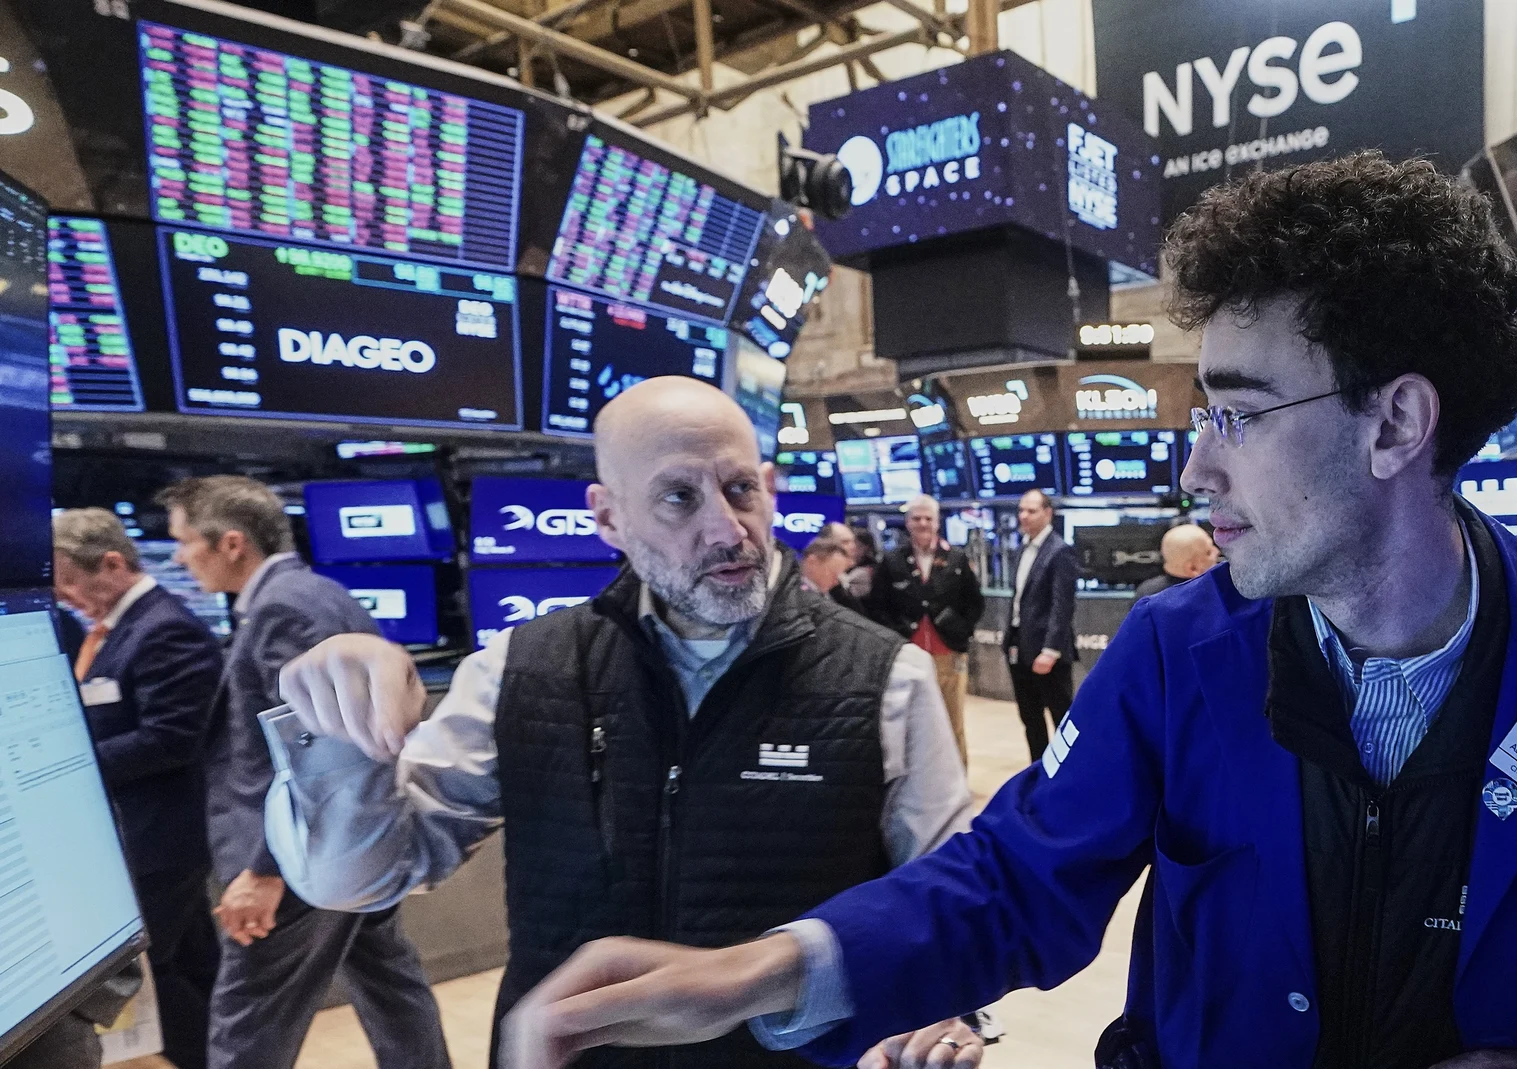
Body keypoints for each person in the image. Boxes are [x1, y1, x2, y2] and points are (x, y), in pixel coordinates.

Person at [495, 154, 1517, 1069]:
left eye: (1242, 413)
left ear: (1398, 423)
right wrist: (765, 970)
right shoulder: (1177, 653)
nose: (1198, 465)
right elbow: (1018, 877)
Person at [266, 378, 984, 1068]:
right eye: (679, 497)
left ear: (768, 486)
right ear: (607, 515)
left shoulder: (885, 674)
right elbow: (362, 878)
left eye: (740, 489)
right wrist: (342, 740)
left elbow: (948, 902)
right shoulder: (523, 668)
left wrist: (942, 1011)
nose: (726, 529)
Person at [154, 476, 449, 1069]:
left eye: (184, 542)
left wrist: (265, 870)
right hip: (335, 844)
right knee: (387, 979)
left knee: (249, 1017)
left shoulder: (285, 609)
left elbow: (321, 755)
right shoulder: (312, 594)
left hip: (302, 852)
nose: (179, 558)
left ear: (231, 543)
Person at [51, 509, 223, 1069]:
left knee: (156, 966)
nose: (63, 593)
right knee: (194, 960)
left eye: (68, 579)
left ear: (112, 563)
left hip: (162, 835)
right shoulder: (113, 629)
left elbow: (171, 738)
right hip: (143, 831)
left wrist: (70, 769)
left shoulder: (164, 628)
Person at [868, 496, 986, 765]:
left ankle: (957, 789)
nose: (923, 524)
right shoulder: (892, 561)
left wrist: (961, 629)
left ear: (937, 522)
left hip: (949, 655)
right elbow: (877, 607)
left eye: (928, 518)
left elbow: (975, 603)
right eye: (917, 518)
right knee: (910, 724)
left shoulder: (956, 559)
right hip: (907, 656)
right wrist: (896, 636)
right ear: (908, 523)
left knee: (952, 722)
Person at [1005, 489, 1078, 760]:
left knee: (1061, 718)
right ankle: (1037, 773)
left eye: (1031, 510)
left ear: (1048, 513)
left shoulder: (1060, 551)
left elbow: (1062, 606)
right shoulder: (1023, 548)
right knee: (1030, 717)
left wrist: (1051, 650)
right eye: (1021, 510)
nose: (1023, 516)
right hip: (1019, 646)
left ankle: (1067, 776)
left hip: (1047, 652)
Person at [1132, 524, 1218, 601]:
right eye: (1208, 552)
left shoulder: (1145, 595)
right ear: (1192, 569)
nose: (1216, 552)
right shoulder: (1214, 595)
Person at [800, 529, 867, 616]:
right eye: (833, 574)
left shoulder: (830, 592)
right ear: (812, 562)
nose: (836, 582)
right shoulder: (794, 593)